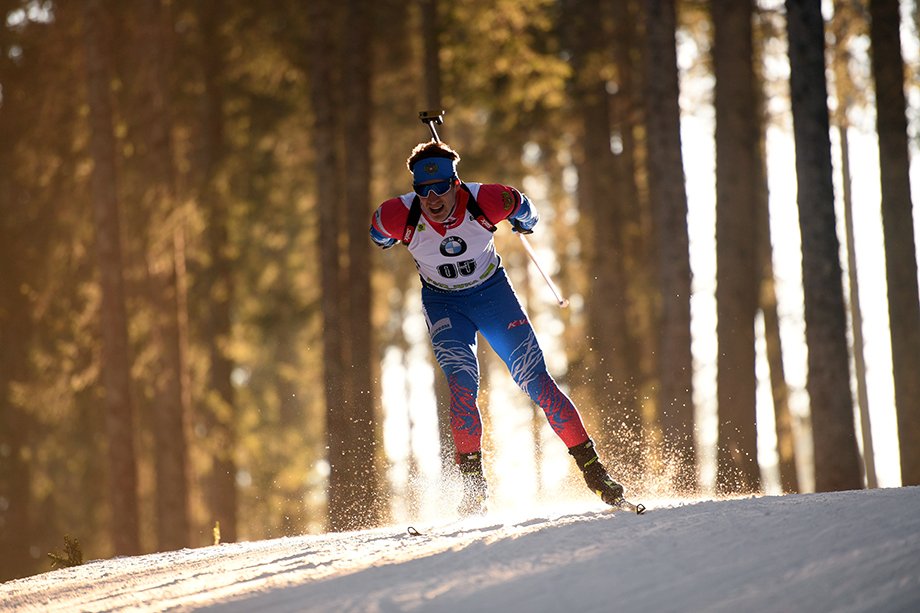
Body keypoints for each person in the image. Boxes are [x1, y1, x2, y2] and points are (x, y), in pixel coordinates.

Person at [369, 140, 626, 515]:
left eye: (441, 187)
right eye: (423, 191)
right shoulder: (398, 214)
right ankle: (474, 490)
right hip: (444, 304)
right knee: (461, 385)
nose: (433, 198)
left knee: (535, 380)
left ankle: (595, 472)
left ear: (455, 183)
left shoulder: (487, 200)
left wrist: (525, 221)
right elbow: (377, 233)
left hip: (492, 297)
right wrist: (386, 237)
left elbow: (524, 208)